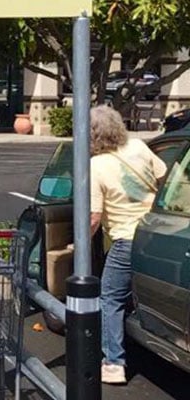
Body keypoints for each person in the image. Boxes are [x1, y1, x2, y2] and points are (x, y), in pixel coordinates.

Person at [89, 105, 167, 384]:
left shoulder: (96, 165)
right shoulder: (138, 146)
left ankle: (113, 363)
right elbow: (163, 176)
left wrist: (79, 245)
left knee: (110, 298)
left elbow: (94, 217)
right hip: (155, 234)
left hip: (126, 239)